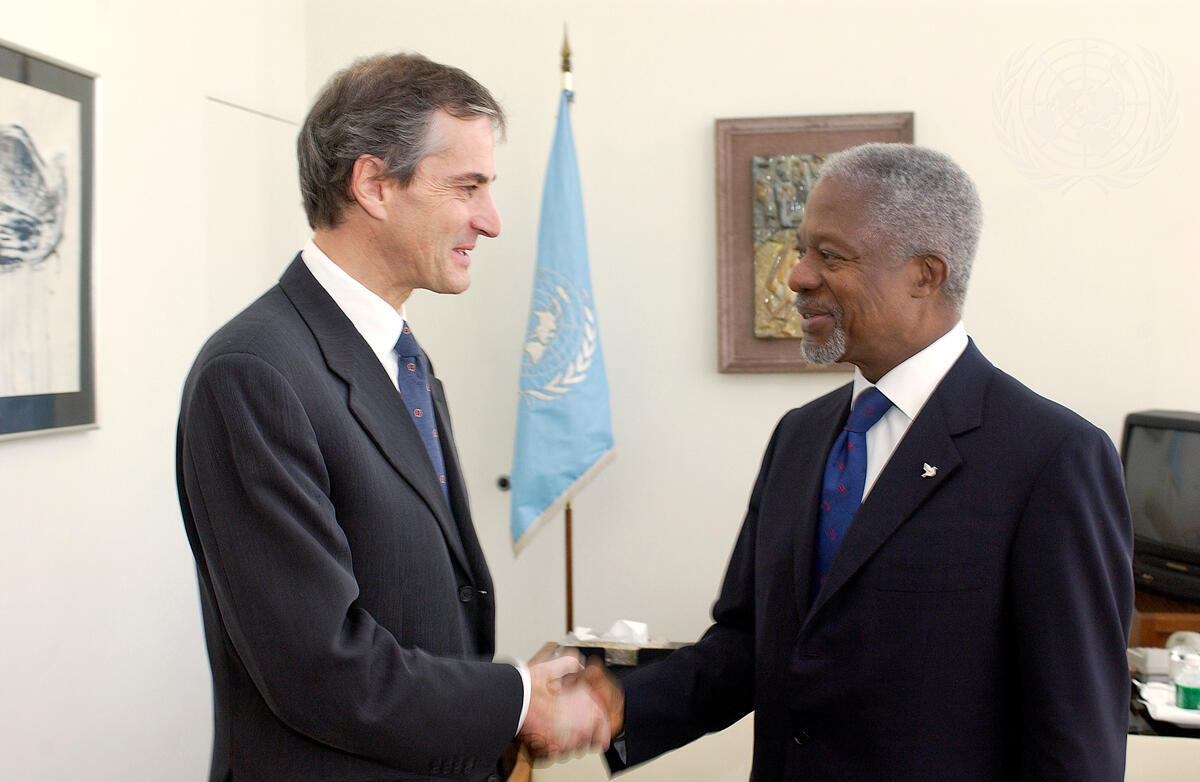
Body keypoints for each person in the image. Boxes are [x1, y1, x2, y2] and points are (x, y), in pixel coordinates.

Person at [605, 143, 1134, 780]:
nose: (797, 276)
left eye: (830, 256)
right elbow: (751, 646)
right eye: (801, 250)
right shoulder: (800, 437)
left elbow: (1077, 738)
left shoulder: (1052, 458)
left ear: (925, 275)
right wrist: (613, 708)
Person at [176, 53, 610, 782]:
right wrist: (513, 702)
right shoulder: (253, 374)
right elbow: (318, 667)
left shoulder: (400, 358)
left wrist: (503, 698)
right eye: (467, 187)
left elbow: (416, 603)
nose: (491, 221)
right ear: (374, 185)